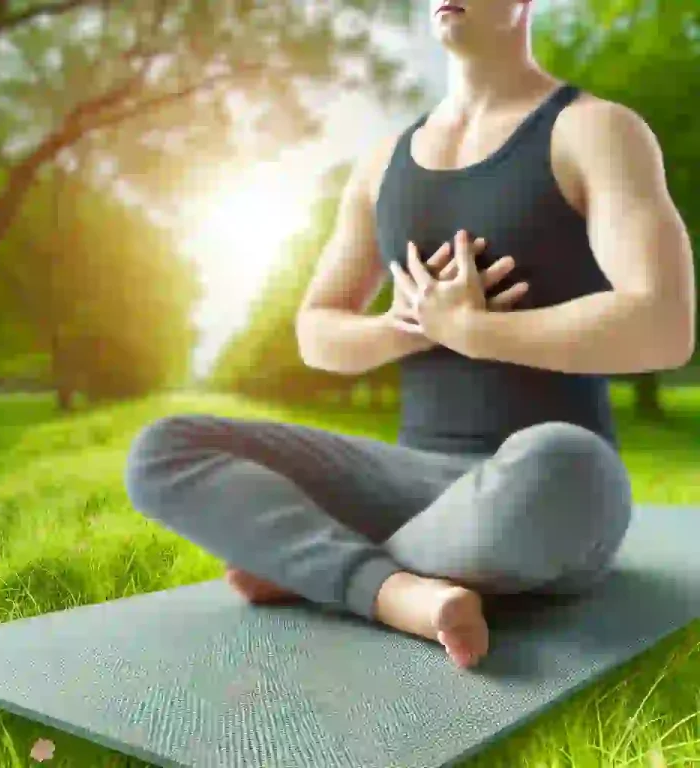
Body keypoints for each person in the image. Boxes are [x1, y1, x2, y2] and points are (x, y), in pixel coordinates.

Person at [124, 0, 695, 669]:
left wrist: (475, 332)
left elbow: (664, 324)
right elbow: (316, 332)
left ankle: (320, 570)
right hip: (407, 480)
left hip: (541, 484)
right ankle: (394, 591)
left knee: (568, 465)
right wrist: (409, 328)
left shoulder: (596, 131)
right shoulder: (380, 165)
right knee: (164, 449)